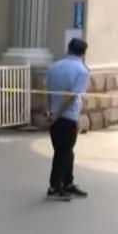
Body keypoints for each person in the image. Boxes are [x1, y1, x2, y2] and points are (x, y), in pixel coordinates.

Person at [44, 38, 90, 201]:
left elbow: (47, 90)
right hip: (67, 116)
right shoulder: (82, 70)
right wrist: (57, 114)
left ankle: (68, 183)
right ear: (83, 53)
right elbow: (70, 96)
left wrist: (49, 112)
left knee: (67, 152)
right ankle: (54, 187)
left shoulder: (54, 66)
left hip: (54, 116)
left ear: (68, 49)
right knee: (62, 153)